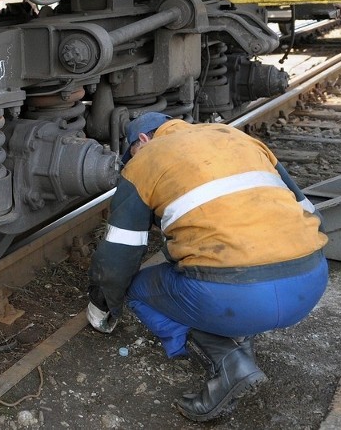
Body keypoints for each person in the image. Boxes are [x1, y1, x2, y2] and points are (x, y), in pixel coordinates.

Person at [86, 112, 328, 422]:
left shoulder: (146, 159)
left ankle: (229, 362)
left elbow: (120, 254)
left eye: (131, 152)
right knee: (227, 266)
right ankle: (239, 339)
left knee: (137, 289)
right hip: (310, 282)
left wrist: (102, 304)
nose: (131, 160)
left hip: (238, 298)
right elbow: (310, 213)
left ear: (142, 141)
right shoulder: (238, 137)